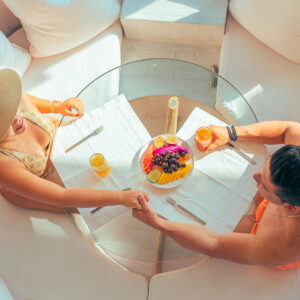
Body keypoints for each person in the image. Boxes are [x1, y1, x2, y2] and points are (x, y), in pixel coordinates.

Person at [133, 121, 300, 269]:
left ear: (290, 207)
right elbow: (288, 130)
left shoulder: (280, 247)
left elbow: (213, 243)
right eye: (263, 170)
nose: (254, 176)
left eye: (264, 184)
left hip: (264, 235)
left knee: (216, 222)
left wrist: (158, 222)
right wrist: (230, 133)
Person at [0, 69, 148, 213]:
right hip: (42, 181)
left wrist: (56, 106)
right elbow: (61, 197)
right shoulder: (4, 164)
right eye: (4, 121)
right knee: (101, 203)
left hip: (59, 140)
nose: (16, 118)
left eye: (10, 109)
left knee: (121, 145)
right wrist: (120, 198)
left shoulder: (9, 98)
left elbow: (22, 95)